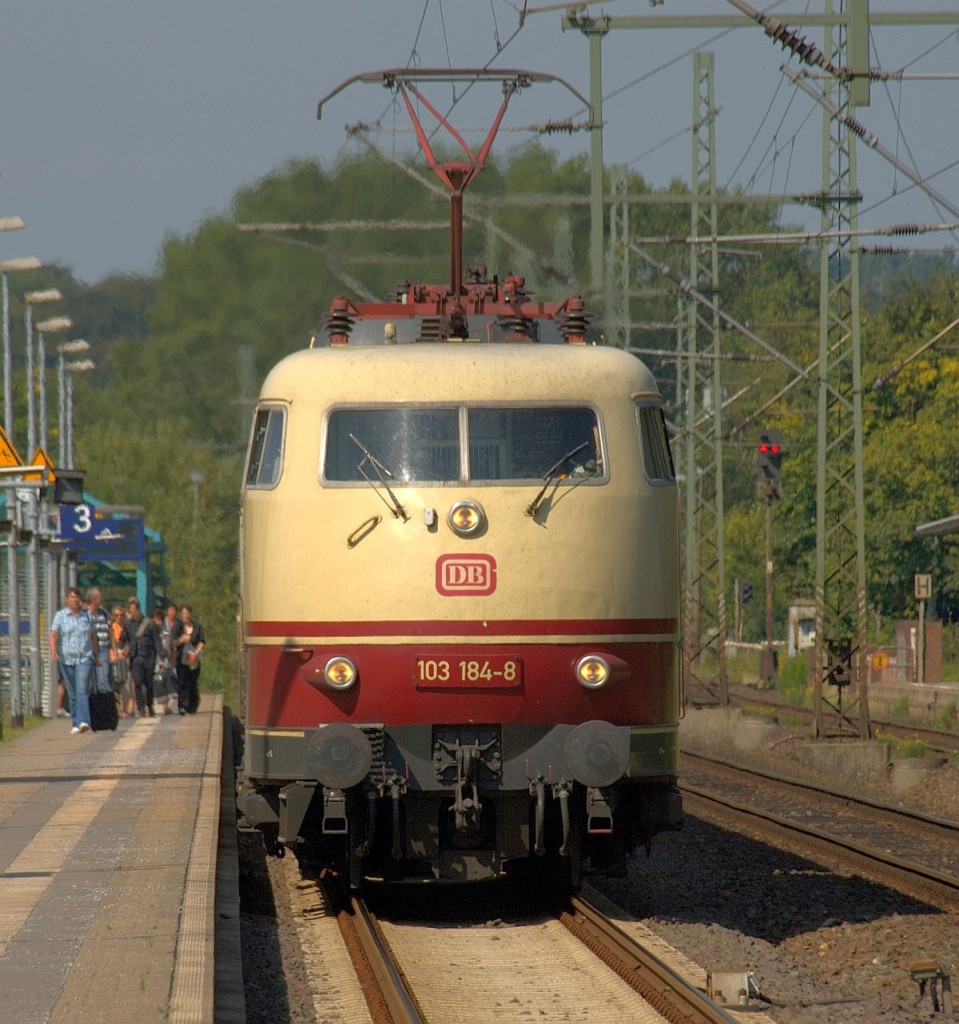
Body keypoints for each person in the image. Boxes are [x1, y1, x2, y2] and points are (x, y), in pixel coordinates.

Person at [49, 586, 98, 735]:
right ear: (67, 600)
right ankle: (76, 722)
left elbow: (93, 634)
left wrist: (96, 652)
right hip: (66, 658)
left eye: (77, 597)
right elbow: (54, 634)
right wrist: (53, 651)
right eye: (72, 597)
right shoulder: (61, 616)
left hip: (85, 657)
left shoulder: (87, 616)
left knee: (82, 688)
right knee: (72, 691)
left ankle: (84, 720)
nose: (75, 599)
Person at [122, 596, 160, 717]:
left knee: (149, 683)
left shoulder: (150, 624)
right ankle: (141, 708)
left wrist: (162, 657)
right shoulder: (128, 624)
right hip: (135, 658)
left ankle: (149, 704)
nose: (133, 613)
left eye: (134, 610)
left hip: (148, 657)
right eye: (131, 611)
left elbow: (157, 642)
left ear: (138, 609)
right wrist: (121, 648)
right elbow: (123, 639)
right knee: (138, 683)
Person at [174, 604, 206, 715]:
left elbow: (202, 641)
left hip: (193, 659)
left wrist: (197, 651)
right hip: (181, 658)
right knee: (182, 682)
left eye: (187, 613)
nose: (185, 616)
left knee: (192, 682)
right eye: (183, 613)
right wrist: (181, 640)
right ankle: (182, 705)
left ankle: (192, 705)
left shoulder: (197, 627)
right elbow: (173, 642)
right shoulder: (178, 627)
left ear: (190, 614)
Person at [85, 587, 111, 701]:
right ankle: (93, 706)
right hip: (88, 650)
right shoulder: (85, 615)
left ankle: (107, 704)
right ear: (93, 599)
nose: (101, 599)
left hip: (103, 648)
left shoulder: (105, 613)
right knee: (88, 680)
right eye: (99, 597)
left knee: (103, 679)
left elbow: (110, 631)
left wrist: (113, 650)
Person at [109, 605, 131, 717]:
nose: (119, 618)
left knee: (125, 686)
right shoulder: (111, 628)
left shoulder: (127, 628)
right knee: (115, 687)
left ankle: (125, 709)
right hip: (113, 659)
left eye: (121, 615)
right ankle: (117, 710)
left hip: (126, 660)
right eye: (116, 615)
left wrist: (126, 651)